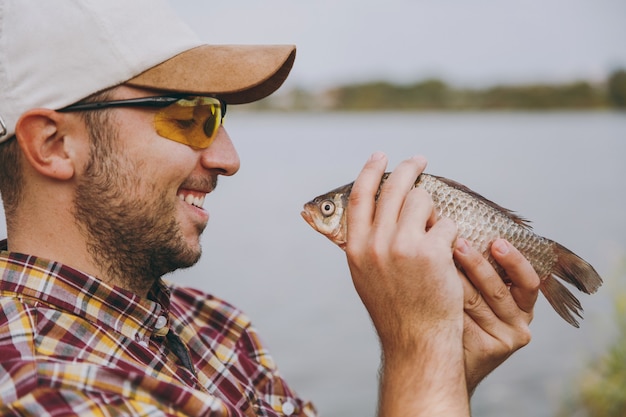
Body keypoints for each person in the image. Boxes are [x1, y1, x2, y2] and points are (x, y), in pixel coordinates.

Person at [0, 1, 540, 416]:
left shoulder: (214, 327)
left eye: (220, 116)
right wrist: (418, 348)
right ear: (53, 145)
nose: (229, 159)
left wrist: (444, 366)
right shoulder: (39, 384)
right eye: (190, 116)